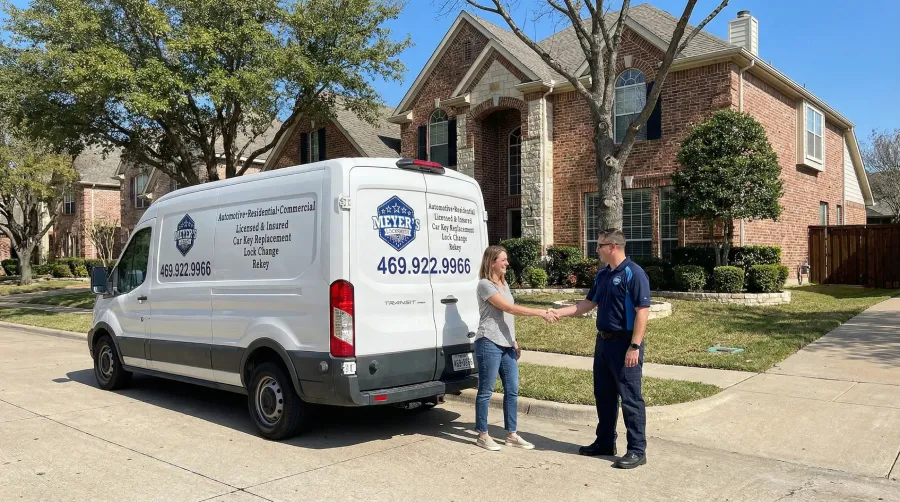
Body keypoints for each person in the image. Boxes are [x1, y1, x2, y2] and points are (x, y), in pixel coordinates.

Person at [549, 229, 651, 469]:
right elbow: (587, 304)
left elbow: (642, 312)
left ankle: (637, 449)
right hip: (603, 343)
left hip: (625, 344)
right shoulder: (603, 275)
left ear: (613, 246)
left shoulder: (634, 274)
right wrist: (558, 313)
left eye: (600, 245)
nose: (597, 250)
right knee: (603, 395)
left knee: (630, 398)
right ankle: (605, 442)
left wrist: (634, 346)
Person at [474, 245, 558, 451]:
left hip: (507, 344)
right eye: (503, 260)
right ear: (492, 261)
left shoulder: (503, 283)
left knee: (512, 390)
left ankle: (511, 434)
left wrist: (514, 340)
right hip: (489, 342)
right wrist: (540, 313)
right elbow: (509, 308)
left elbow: (508, 316)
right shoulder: (485, 285)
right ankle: (482, 434)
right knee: (486, 390)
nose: (507, 263)